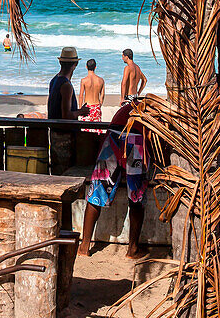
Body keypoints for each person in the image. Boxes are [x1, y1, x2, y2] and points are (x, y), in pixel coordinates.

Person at [79, 100, 148, 259]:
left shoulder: (127, 108)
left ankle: (84, 247)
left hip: (112, 138)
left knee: (97, 192)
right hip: (136, 139)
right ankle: (133, 249)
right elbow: (149, 139)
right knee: (136, 197)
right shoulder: (150, 111)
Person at [47, 46, 90, 120]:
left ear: (60, 62)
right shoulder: (66, 86)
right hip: (64, 131)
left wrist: (79, 111)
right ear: (76, 63)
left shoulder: (54, 80)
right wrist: (81, 112)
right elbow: (66, 116)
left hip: (55, 128)